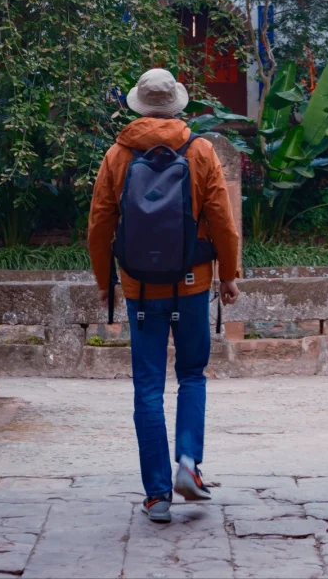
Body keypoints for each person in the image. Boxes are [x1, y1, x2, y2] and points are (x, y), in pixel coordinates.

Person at [88, 67, 241, 523]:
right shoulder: (200, 150)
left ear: (139, 104)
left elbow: (99, 225)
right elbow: (222, 221)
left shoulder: (117, 154)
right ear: (176, 104)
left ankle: (157, 495)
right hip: (192, 283)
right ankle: (189, 465)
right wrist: (228, 276)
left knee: (148, 385)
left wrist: (104, 282)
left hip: (139, 286)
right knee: (192, 373)